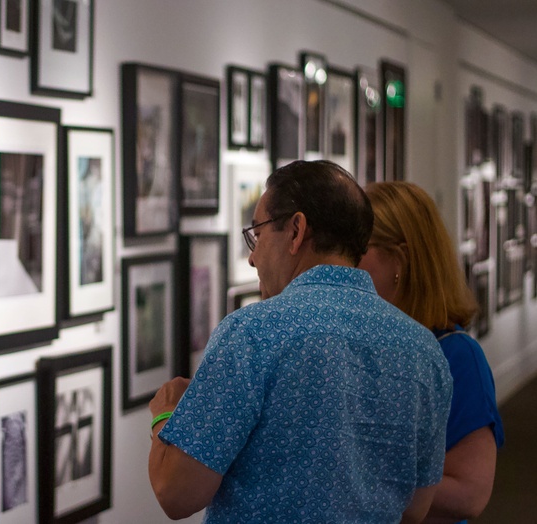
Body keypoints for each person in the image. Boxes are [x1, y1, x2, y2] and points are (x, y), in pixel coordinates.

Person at [148, 160, 453, 523]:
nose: (252, 257)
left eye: (258, 234)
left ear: (296, 230)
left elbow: (176, 493)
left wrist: (165, 415)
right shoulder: (423, 350)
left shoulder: (251, 333)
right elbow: (415, 508)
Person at [358, 181, 504, 523]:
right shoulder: (363, 344)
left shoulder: (457, 356)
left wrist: (356, 478)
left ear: (400, 260)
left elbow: (471, 494)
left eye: (357, 248)